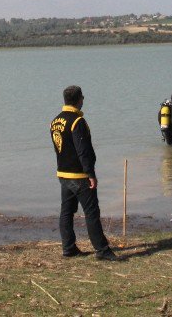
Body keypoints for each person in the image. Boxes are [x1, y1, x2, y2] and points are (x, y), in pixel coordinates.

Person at [50, 85, 119, 261]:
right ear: (78, 99)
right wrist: (90, 174)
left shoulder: (55, 121)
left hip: (63, 174)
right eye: (82, 98)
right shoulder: (77, 121)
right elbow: (83, 151)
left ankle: (68, 248)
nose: (83, 100)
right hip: (79, 176)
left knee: (66, 212)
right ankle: (102, 250)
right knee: (91, 212)